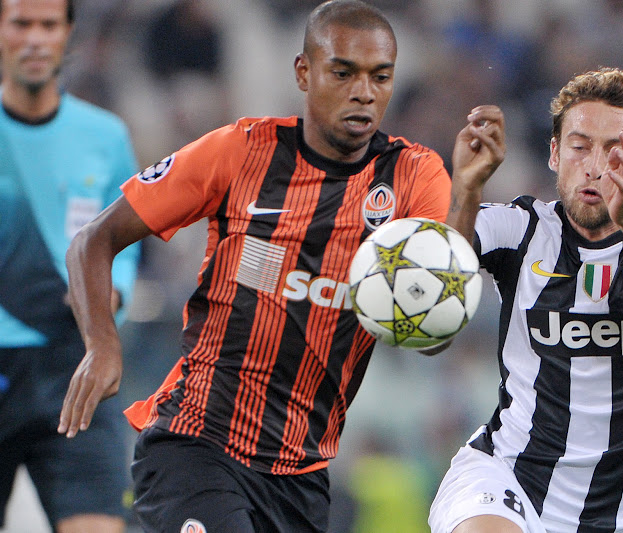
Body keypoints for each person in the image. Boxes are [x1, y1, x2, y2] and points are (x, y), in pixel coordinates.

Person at [57, 1, 505, 532]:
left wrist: (469, 193)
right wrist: (102, 346)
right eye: (344, 73)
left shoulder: (413, 174)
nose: (364, 92)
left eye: (380, 77)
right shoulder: (240, 151)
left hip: (302, 475)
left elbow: (432, 335)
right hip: (196, 445)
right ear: (304, 72)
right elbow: (94, 240)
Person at [430, 67, 623, 533]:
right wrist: (468, 189)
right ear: (555, 153)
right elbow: (437, 277)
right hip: (505, 477)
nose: (595, 167)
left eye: (616, 152)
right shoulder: (523, 228)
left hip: (614, 511)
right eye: (579, 147)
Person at [0, 0, 140, 531]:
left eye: (48, 24)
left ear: (68, 33)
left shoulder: (105, 136)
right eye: (21, 23)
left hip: (75, 363)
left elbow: (126, 238)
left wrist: (115, 293)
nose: (35, 38)